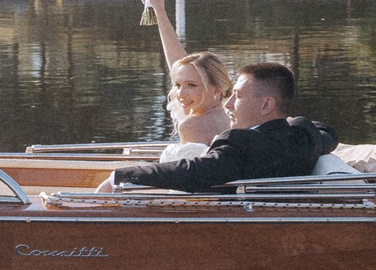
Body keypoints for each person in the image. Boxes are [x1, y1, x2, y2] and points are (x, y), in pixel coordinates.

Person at [111, 62, 337, 193]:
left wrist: (123, 175)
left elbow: (194, 172)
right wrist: (295, 122)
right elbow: (327, 133)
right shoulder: (303, 137)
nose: (227, 104)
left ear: (267, 104)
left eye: (237, 96)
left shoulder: (241, 144)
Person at [141, 0, 231, 147]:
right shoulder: (237, 115)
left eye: (191, 85)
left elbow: (191, 172)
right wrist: (159, 10)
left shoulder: (192, 125)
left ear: (216, 89)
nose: (180, 94)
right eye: (178, 85)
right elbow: (178, 64)